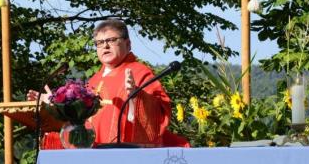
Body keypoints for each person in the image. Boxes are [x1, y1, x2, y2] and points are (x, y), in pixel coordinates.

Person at [28, 18, 189, 148]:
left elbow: (158, 116)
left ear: (128, 44)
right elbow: (79, 122)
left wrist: (136, 95)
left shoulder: (140, 73)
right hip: (93, 153)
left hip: (125, 153)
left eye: (111, 40)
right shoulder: (94, 81)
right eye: (99, 42)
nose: (105, 46)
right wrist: (54, 104)